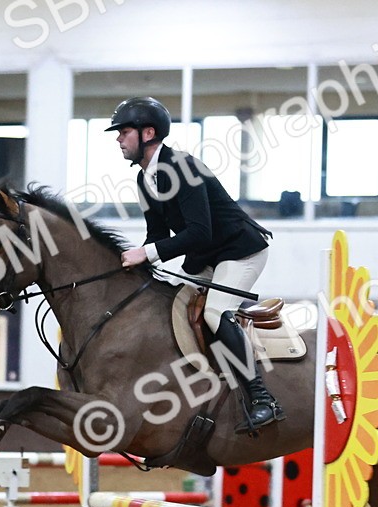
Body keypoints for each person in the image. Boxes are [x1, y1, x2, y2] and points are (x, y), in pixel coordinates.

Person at [107, 96, 284, 434]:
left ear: (148, 133)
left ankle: (264, 399)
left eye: (123, 132)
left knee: (216, 312)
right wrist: (135, 263)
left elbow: (199, 231)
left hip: (240, 251)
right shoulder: (145, 179)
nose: (118, 139)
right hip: (207, 256)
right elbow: (157, 235)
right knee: (164, 299)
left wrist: (147, 254)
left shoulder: (182, 167)